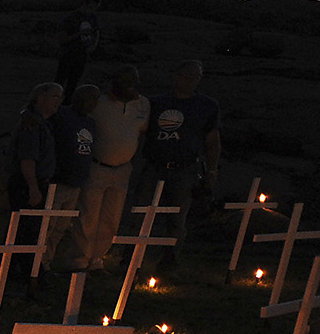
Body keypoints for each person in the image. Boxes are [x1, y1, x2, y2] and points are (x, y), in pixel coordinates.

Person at [140, 60, 221, 269]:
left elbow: (212, 140)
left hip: (185, 168)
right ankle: (132, 258)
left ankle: (169, 262)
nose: (188, 81)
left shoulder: (207, 106)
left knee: (177, 218)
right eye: (185, 76)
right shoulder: (155, 103)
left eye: (194, 77)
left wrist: (212, 170)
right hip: (154, 165)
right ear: (176, 76)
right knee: (142, 212)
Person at [78, 66, 149, 272]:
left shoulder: (142, 104)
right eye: (126, 81)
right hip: (98, 165)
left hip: (122, 168)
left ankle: (98, 258)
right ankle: (80, 258)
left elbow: (142, 129)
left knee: (111, 216)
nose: (131, 86)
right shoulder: (99, 103)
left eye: (133, 81)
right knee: (88, 214)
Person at [45, 84, 99, 270]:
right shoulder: (60, 115)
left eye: (94, 100)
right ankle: (36, 264)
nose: (91, 103)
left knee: (60, 227)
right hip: (59, 180)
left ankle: (46, 262)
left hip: (76, 182)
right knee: (48, 225)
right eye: (87, 98)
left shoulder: (90, 123)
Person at [7, 83, 61, 263]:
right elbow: (27, 158)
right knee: (25, 228)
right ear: (41, 98)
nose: (58, 101)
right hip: (29, 182)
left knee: (32, 228)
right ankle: (16, 268)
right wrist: (33, 186)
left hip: (39, 181)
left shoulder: (44, 123)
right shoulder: (32, 125)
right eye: (54, 96)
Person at [55, 0, 102, 103]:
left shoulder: (92, 17)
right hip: (69, 52)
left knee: (74, 80)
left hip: (82, 53)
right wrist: (79, 34)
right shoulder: (72, 18)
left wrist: (93, 44)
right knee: (61, 79)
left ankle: (66, 102)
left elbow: (96, 31)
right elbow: (63, 38)